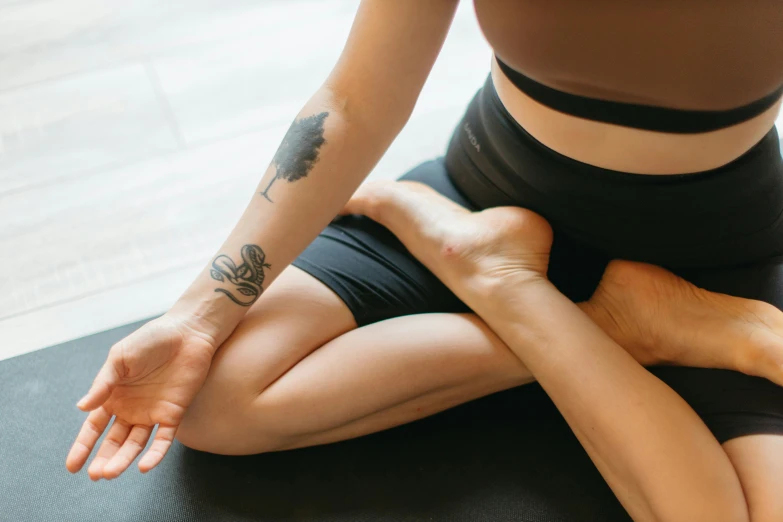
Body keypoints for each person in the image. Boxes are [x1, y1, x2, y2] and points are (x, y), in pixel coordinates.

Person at [66, 1, 783, 519]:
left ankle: (506, 285)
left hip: (707, 248)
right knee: (214, 402)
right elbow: (353, 100)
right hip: (483, 196)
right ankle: (611, 326)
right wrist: (198, 317)